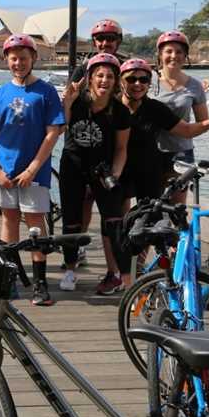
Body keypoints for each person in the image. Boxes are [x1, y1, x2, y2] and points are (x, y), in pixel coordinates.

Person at [0, 34, 64, 306]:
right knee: (8, 221)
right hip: (6, 170)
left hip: (35, 172)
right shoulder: (0, 93)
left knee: (35, 224)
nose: (18, 63)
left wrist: (33, 168)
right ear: (6, 60)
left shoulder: (46, 91)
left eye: (23, 58)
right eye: (13, 58)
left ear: (33, 59)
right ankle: (9, 278)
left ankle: (40, 283)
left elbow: (53, 132)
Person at [59, 53, 131, 295]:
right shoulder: (77, 101)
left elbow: (122, 148)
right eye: (99, 75)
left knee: (113, 221)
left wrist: (116, 175)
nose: (104, 80)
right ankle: (70, 269)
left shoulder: (119, 110)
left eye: (110, 76)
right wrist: (67, 104)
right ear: (89, 78)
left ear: (116, 80)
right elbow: (62, 129)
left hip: (103, 169)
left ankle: (120, 275)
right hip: (73, 166)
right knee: (71, 220)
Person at [119, 57, 209, 203]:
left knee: (150, 217)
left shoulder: (155, 108)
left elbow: (186, 130)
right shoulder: (113, 107)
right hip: (120, 168)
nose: (138, 84)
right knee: (116, 218)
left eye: (144, 80)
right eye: (131, 79)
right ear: (121, 81)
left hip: (148, 171)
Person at [154, 31, 209, 204]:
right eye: (168, 51)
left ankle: (177, 233)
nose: (173, 56)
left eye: (179, 52)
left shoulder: (195, 86)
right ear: (160, 55)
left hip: (181, 153)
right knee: (149, 207)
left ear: (185, 56)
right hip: (150, 151)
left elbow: (202, 122)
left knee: (176, 209)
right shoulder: (146, 79)